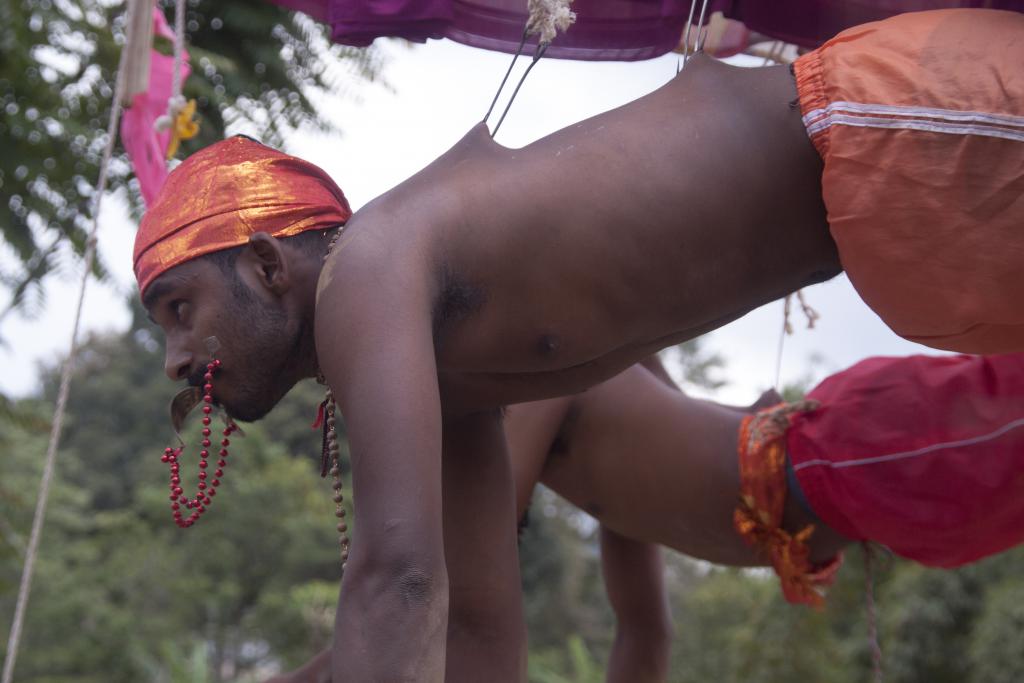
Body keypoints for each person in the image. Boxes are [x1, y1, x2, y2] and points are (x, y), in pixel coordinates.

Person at [136, 9, 1023, 681]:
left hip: (895, 120)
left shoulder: (366, 273)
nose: (176, 359)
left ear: (264, 264)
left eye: (181, 308)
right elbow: (475, 634)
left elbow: (395, 582)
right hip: (898, 197)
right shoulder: (449, 373)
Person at [270, 350, 1024, 682]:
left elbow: (450, 587)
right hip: (864, 496)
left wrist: (317, 672)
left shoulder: (537, 386)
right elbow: (645, 631)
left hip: (841, 451)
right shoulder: (616, 486)